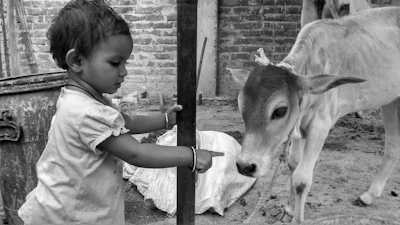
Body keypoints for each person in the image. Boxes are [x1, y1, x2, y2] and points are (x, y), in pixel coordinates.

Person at [17, 0, 224, 224]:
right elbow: (137, 154)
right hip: (69, 215)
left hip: (69, 205)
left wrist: (165, 120)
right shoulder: (86, 112)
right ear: (77, 60)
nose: (124, 71)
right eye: (115, 63)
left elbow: (129, 122)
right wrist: (190, 156)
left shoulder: (89, 99)